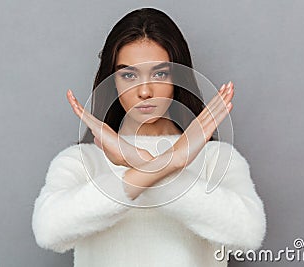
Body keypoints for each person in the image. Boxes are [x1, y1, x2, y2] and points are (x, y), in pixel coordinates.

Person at [31, 7, 266, 267]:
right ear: (112, 80)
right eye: (129, 75)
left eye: (160, 73)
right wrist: (168, 163)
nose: (145, 91)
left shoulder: (216, 158)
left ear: (178, 77)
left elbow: (248, 235)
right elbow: (48, 231)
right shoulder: (82, 160)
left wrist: (142, 164)